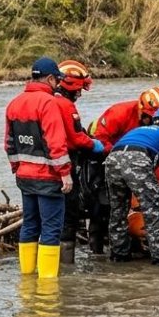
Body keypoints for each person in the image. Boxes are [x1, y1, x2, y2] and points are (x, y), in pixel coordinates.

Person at [4, 57, 72, 279]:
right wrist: (65, 174)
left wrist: (17, 167)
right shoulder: (48, 103)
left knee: (30, 226)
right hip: (48, 178)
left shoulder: (14, 103)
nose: (58, 86)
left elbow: (9, 143)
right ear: (51, 78)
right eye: (57, 81)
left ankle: (27, 279)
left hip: (24, 177)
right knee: (51, 230)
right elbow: (56, 142)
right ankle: (47, 286)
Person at [85, 88, 159, 253]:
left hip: (122, 160)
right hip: (104, 157)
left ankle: (119, 254)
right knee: (105, 206)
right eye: (149, 118)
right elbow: (99, 139)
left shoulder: (147, 128)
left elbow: (158, 167)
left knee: (119, 209)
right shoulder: (119, 113)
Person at [103, 108, 159, 266]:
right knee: (153, 210)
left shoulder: (139, 129)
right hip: (138, 158)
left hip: (113, 159)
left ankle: (119, 254)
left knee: (118, 209)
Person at [53, 60, 104, 264]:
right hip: (66, 165)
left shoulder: (49, 101)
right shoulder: (65, 105)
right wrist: (95, 145)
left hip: (49, 168)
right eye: (80, 89)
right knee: (70, 214)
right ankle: (66, 265)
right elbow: (76, 138)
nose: (80, 94)